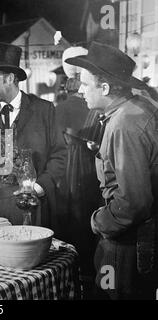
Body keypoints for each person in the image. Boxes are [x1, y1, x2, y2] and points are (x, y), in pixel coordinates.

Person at [66, 41, 158, 300]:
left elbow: (134, 202)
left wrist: (98, 222)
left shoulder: (124, 124)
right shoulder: (136, 108)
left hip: (125, 246)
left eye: (85, 84)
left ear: (104, 88)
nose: (80, 90)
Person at [0, 42, 67, 227]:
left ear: (10, 78)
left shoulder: (43, 110)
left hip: (28, 201)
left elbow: (60, 155)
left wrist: (38, 187)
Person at [55, 76, 103, 296]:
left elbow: (58, 138)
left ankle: (73, 270)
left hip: (70, 165)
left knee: (71, 213)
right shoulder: (93, 106)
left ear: (66, 89)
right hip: (92, 164)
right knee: (89, 211)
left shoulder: (61, 107)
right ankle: (92, 272)